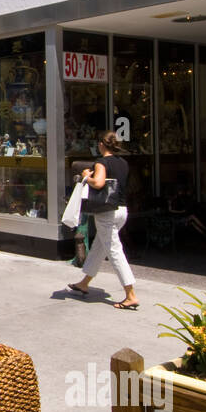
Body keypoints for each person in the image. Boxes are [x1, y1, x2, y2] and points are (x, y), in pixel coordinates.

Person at [66, 130, 138, 309]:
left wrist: (85, 177)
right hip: (122, 210)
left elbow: (98, 183)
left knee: (114, 251)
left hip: (106, 213)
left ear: (101, 144)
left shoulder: (101, 162)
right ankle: (84, 283)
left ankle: (130, 294)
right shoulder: (123, 163)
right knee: (100, 246)